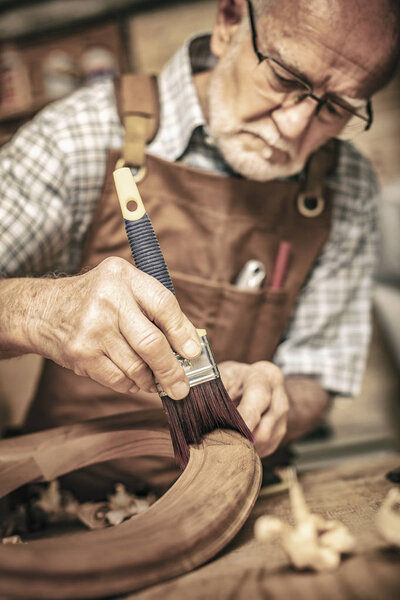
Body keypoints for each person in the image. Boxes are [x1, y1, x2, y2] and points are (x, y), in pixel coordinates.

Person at [0, 0, 399, 488]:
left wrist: (280, 403)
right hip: (66, 499)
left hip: (238, 495)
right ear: (229, 23)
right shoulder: (78, 136)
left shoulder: (347, 183)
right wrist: (35, 312)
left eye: (335, 107)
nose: (295, 127)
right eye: (284, 78)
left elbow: (319, 372)